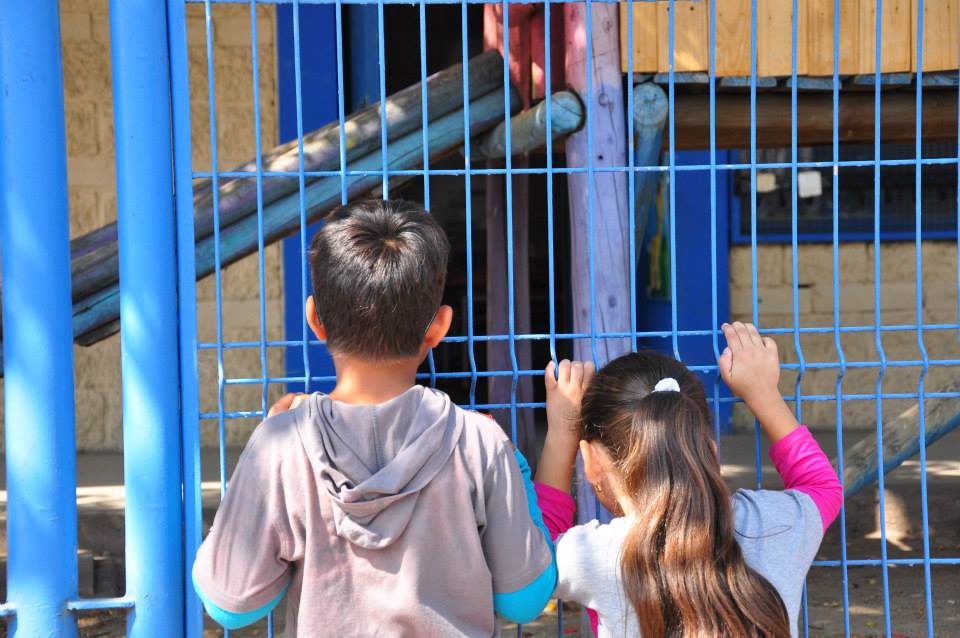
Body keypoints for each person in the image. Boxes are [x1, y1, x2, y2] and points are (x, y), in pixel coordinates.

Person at [192, 200, 556, 636]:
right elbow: (525, 600)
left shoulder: (280, 445)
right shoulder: (480, 442)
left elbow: (232, 604)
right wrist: (512, 464)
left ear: (315, 320)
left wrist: (264, 457)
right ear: (439, 327)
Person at [534, 322, 843, 638]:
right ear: (709, 450)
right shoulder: (774, 524)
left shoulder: (596, 554)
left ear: (592, 461)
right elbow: (822, 487)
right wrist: (764, 394)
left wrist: (561, 435)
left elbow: (534, 559)